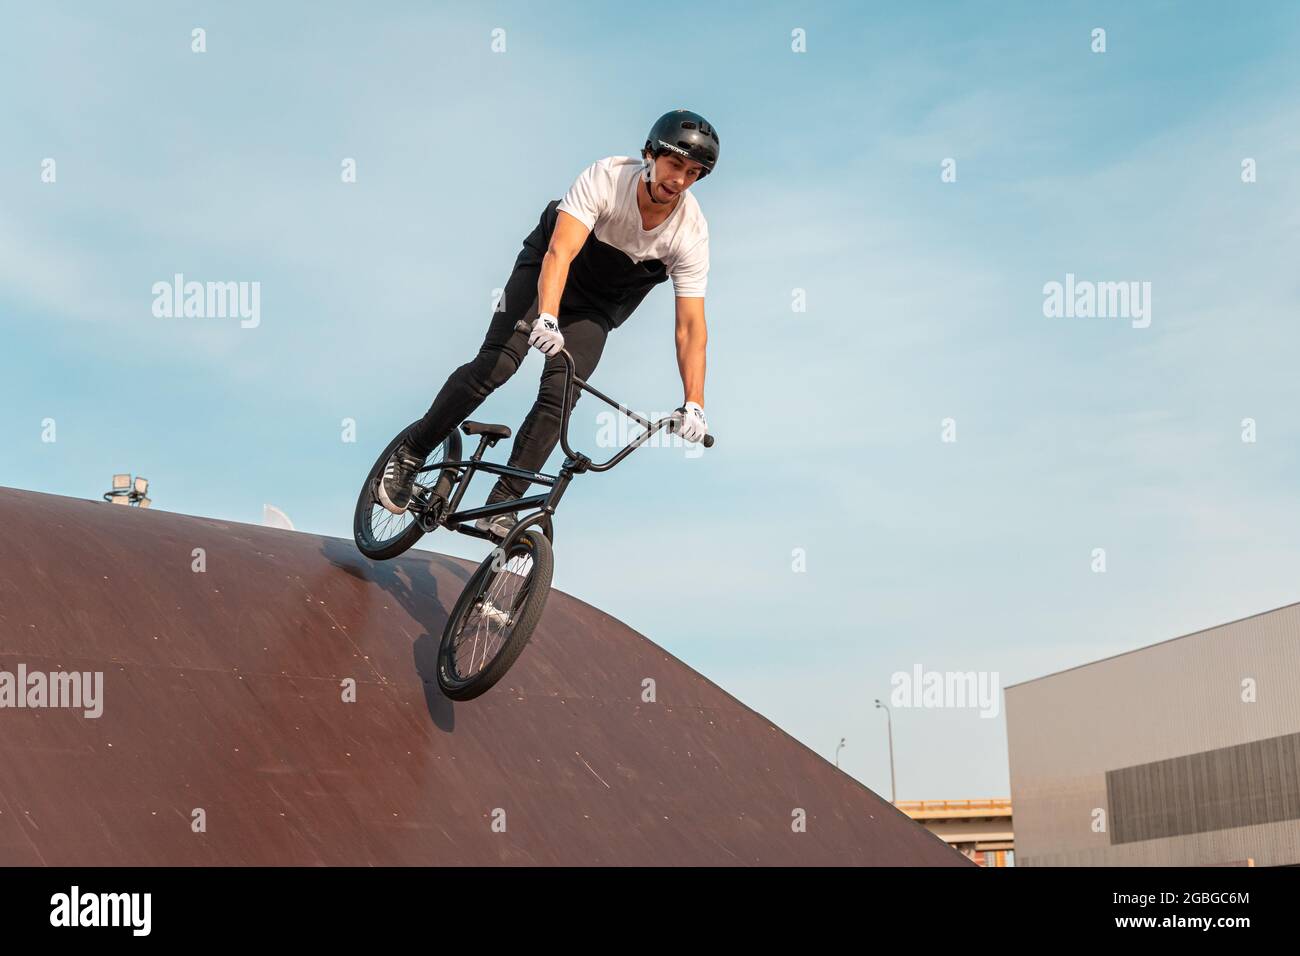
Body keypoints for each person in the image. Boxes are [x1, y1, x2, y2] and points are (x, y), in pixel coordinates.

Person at [376, 109, 718, 538]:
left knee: (561, 392)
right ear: (649, 154)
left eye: (693, 173)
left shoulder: (690, 232)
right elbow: (560, 253)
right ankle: (412, 451)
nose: (680, 181)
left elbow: (690, 326)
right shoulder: (607, 179)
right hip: (549, 273)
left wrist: (694, 402)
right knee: (499, 364)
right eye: (674, 165)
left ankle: (502, 503)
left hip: (596, 306)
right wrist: (548, 318)